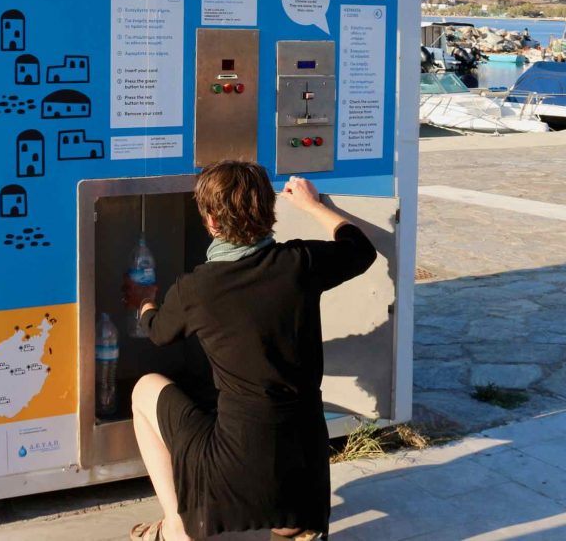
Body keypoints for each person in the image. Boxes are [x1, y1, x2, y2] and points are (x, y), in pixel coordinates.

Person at [125, 160, 377, 541]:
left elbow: (158, 333)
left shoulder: (197, 288)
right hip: (304, 469)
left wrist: (144, 302)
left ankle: (178, 527)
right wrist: (312, 205)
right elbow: (360, 249)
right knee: (289, 509)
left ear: (210, 222)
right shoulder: (299, 264)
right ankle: (293, 527)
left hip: (232, 466)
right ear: (270, 212)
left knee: (145, 388)